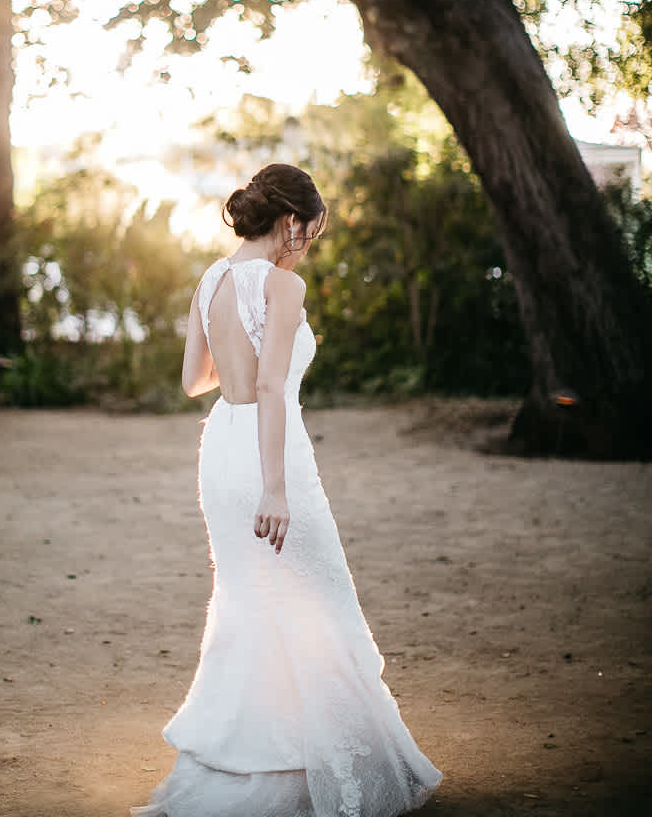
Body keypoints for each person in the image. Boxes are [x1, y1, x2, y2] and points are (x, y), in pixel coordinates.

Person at [132, 164, 441, 817]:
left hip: (221, 447)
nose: (310, 244)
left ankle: (263, 763)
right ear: (291, 222)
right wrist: (274, 488)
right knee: (318, 600)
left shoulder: (210, 279)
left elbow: (194, 382)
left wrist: (233, 359)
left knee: (249, 600)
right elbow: (273, 388)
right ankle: (321, 773)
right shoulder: (282, 287)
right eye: (312, 231)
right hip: (271, 458)